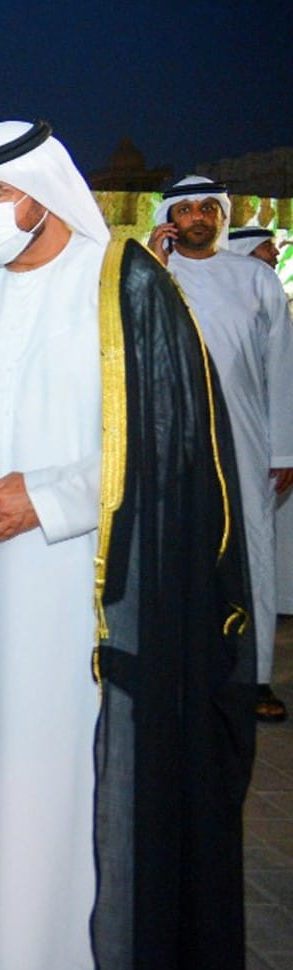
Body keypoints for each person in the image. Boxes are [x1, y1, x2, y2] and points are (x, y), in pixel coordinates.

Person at [0, 121, 253, 970]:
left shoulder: (125, 286)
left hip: (88, 593)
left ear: (42, 191)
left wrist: (39, 499)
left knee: (66, 774)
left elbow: (164, 446)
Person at [149, 176, 293, 722]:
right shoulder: (152, 277)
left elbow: (281, 367)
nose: (197, 217)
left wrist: (284, 448)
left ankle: (253, 676)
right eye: (185, 210)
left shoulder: (255, 278)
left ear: (221, 215)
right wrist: (154, 268)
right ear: (170, 218)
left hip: (246, 438)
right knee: (175, 553)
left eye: (208, 207)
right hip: (169, 441)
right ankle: (176, 671)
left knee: (252, 554)